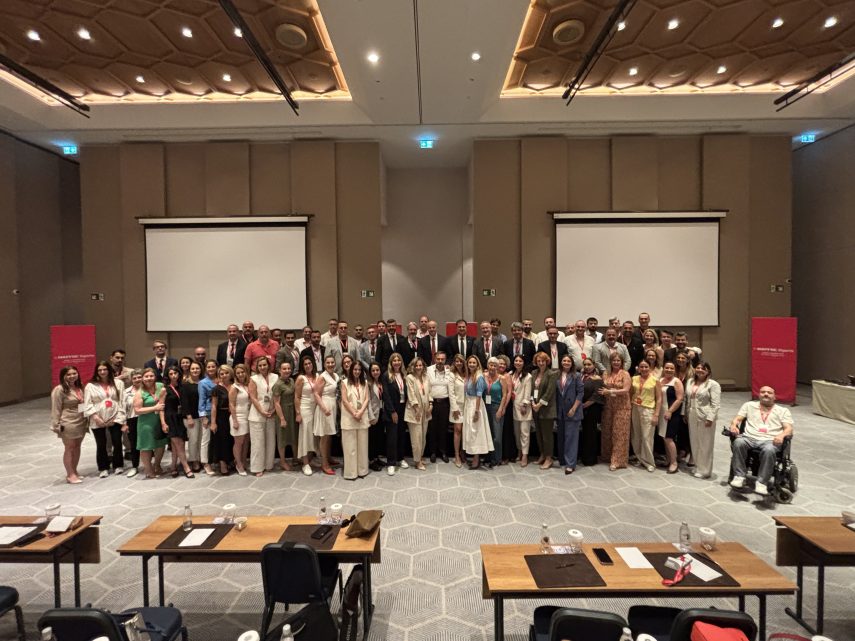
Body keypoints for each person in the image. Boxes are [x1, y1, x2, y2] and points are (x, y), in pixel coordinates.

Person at [728, 385, 793, 495]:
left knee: (769, 450)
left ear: (775, 397)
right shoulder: (749, 405)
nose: (766, 394)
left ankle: (762, 482)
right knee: (738, 442)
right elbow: (737, 418)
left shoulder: (783, 411)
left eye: (769, 392)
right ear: (759, 395)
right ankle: (739, 476)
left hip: (770, 440)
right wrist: (733, 425)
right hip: (749, 437)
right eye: (763, 392)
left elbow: (789, 428)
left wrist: (781, 435)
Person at [84, 360, 126, 477]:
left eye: (105, 369)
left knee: (117, 442)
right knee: (101, 444)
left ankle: (118, 465)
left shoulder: (118, 383)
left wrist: (118, 417)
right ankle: (103, 467)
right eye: (100, 370)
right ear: (96, 372)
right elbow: (87, 404)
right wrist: (96, 417)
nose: (102, 372)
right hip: (97, 419)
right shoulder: (90, 386)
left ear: (109, 370)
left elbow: (122, 401)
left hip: (115, 417)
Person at [50, 366, 88, 483]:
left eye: (74, 373)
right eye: (68, 374)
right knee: (69, 447)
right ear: (63, 376)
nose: (72, 376)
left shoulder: (80, 386)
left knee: (77, 446)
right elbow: (56, 408)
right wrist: (56, 424)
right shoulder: (59, 389)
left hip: (81, 421)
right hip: (68, 422)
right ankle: (70, 474)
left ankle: (75, 471)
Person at [684, 362, 722, 479]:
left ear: (708, 371)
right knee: (695, 441)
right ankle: (697, 466)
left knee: (705, 443)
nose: (700, 370)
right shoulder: (690, 381)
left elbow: (715, 404)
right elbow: (687, 399)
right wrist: (685, 413)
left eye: (703, 369)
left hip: (705, 416)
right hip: (692, 413)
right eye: (698, 368)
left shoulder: (713, 384)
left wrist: (710, 418)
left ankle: (705, 470)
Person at [599, 352, 632, 470]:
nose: (616, 362)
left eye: (618, 360)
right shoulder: (606, 373)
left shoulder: (625, 374)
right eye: (614, 360)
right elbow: (602, 386)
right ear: (610, 362)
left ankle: (618, 461)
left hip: (622, 406)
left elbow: (626, 390)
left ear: (621, 362)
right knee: (607, 432)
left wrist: (610, 391)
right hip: (608, 406)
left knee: (620, 433)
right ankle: (607, 456)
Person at [133, 368, 168, 479]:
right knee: (146, 447)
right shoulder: (139, 393)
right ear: (142, 378)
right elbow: (137, 410)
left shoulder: (160, 386)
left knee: (160, 445)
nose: (149, 378)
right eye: (146, 376)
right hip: (146, 423)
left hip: (159, 421)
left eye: (151, 376)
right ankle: (148, 469)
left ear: (155, 377)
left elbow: (164, 401)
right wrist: (155, 407)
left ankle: (157, 465)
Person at [248, 356, 278, 476]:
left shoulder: (275, 377)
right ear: (257, 367)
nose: (262, 367)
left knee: (270, 440)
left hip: (271, 413)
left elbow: (277, 395)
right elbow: (253, 397)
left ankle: (268, 464)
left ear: (268, 365)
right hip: (257, 414)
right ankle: (257, 467)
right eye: (260, 365)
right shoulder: (253, 378)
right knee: (258, 442)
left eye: (264, 365)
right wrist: (261, 411)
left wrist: (274, 409)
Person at [629, 360, 662, 473]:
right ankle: (640, 458)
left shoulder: (655, 380)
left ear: (649, 368)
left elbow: (659, 399)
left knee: (646, 436)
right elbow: (631, 394)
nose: (643, 369)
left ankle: (649, 462)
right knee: (636, 435)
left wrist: (656, 414)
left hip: (648, 409)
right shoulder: (634, 379)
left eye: (646, 367)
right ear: (638, 368)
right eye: (641, 367)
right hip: (635, 407)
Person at [340, 361, 370, 479]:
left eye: (359, 370)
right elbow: (344, 400)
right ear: (351, 370)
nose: (357, 372)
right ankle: (351, 473)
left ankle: (362, 470)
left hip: (362, 417)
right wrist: (354, 413)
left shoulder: (365, 383)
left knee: (362, 446)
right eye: (355, 369)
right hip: (349, 417)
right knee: (350, 447)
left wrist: (360, 412)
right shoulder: (344, 382)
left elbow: (367, 399)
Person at [462, 355, 493, 469]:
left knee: (476, 431)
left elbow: (479, 395)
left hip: (476, 405)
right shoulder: (470, 375)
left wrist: (476, 411)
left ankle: (476, 458)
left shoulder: (479, 377)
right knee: (471, 431)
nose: (471, 364)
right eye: (470, 362)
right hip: (469, 404)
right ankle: (474, 455)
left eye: (474, 363)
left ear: (477, 364)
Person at [161, 365, 193, 478]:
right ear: (168, 376)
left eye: (175, 373)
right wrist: (163, 423)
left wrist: (188, 416)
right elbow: (161, 408)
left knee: (177, 445)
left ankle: (173, 466)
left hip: (180, 417)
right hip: (170, 418)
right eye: (171, 374)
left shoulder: (182, 387)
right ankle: (186, 467)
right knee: (179, 444)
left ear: (179, 374)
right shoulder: (165, 389)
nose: (173, 375)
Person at [555, 355, 584, 474]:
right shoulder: (557, 375)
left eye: (568, 361)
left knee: (571, 438)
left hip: (572, 410)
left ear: (572, 363)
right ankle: (562, 460)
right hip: (560, 411)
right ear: (561, 362)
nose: (566, 362)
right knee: (561, 437)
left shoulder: (577, 375)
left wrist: (574, 408)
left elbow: (580, 393)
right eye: (564, 360)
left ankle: (570, 464)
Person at [530, 351, 558, 469]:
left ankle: (549, 458)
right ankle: (542, 454)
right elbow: (531, 389)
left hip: (546, 409)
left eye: (543, 361)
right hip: (535, 408)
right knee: (539, 434)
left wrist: (539, 405)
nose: (541, 363)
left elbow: (549, 392)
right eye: (539, 361)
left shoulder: (552, 374)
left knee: (547, 435)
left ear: (547, 362)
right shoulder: (534, 372)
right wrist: (532, 402)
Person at [313, 355, 339, 475]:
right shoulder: (322, 377)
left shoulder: (336, 375)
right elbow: (316, 394)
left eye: (332, 362)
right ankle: (324, 463)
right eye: (328, 363)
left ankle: (328, 457)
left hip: (333, 405)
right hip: (325, 406)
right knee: (324, 436)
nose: (330, 364)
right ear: (324, 364)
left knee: (329, 435)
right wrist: (324, 408)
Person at [404, 357, 432, 470]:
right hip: (414, 411)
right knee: (416, 438)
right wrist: (417, 409)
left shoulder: (426, 377)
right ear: (413, 366)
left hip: (426, 410)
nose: (418, 367)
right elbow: (411, 394)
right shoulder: (410, 378)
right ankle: (417, 461)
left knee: (423, 436)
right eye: (416, 365)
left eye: (420, 365)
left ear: (423, 366)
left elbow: (430, 392)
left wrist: (431, 405)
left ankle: (420, 456)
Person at [382, 353, 407, 475]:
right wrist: (392, 411)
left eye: (398, 360)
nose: (397, 362)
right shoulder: (386, 375)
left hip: (403, 408)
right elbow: (386, 395)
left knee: (401, 434)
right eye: (394, 361)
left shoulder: (404, 374)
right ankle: (391, 463)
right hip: (392, 409)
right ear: (391, 363)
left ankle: (400, 458)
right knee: (392, 437)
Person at [657, 361, 685, 474]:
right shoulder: (660, 380)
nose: (669, 370)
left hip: (671, 413)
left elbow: (680, 399)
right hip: (661, 413)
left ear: (674, 370)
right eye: (667, 368)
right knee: (664, 437)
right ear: (663, 369)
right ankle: (668, 460)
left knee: (669, 438)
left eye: (671, 368)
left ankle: (674, 463)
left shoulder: (676, 381)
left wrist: (670, 411)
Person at [483, 356, 510, 467]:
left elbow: (504, 395)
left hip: (496, 407)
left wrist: (501, 409)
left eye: (495, 365)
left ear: (498, 367)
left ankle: (497, 458)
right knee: (487, 434)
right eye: (491, 365)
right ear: (488, 366)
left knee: (497, 436)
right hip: (485, 407)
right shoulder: (483, 376)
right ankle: (488, 458)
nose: (492, 367)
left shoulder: (502, 378)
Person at [209, 365, 236, 475]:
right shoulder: (216, 389)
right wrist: (213, 422)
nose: (224, 375)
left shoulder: (235, 386)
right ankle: (222, 464)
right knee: (222, 440)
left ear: (231, 373)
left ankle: (231, 460)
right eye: (221, 374)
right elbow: (214, 406)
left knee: (231, 439)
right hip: (221, 416)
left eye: (226, 373)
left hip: (233, 415)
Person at [294, 356, 319, 476]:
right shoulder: (301, 378)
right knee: (304, 435)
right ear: (302, 367)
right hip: (305, 409)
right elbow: (297, 397)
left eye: (309, 363)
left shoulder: (317, 376)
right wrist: (298, 413)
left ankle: (310, 458)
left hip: (316, 408)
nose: (308, 365)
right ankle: (305, 463)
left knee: (312, 435)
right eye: (305, 364)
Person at [426, 351, 452, 463]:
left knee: (443, 428)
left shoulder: (449, 371)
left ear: (445, 360)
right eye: (438, 359)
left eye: (442, 359)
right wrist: (430, 403)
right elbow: (426, 387)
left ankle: (443, 452)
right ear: (434, 359)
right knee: (432, 429)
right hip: (432, 403)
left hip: (445, 404)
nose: (440, 361)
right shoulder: (428, 370)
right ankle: (432, 452)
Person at [272, 361, 297, 472]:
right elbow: (276, 403)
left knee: (294, 436)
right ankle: (282, 461)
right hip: (283, 412)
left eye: (288, 368)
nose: (287, 371)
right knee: (282, 438)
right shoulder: (277, 385)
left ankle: (295, 458)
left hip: (292, 412)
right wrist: (282, 418)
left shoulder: (292, 380)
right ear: (279, 370)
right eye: (284, 369)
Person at [579, 358, 603, 467]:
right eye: (585, 364)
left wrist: (584, 405)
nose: (587, 366)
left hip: (591, 408)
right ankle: (584, 456)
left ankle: (590, 459)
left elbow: (596, 395)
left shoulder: (597, 378)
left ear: (594, 365)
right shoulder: (581, 377)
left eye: (589, 364)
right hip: (582, 408)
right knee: (584, 433)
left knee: (590, 433)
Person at [509, 354, 533, 467]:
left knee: (524, 433)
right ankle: (519, 451)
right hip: (513, 407)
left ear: (524, 363)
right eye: (516, 361)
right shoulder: (510, 374)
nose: (518, 363)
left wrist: (524, 404)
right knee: (516, 432)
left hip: (523, 408)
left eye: (520, 361)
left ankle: (525, 455)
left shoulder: (528, 376)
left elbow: (528, 392)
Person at [228, 363, 251, 475]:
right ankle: (238, 464)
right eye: (238, 373)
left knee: (246, 441)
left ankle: (243, 461)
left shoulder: (247, 385)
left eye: (242, 372)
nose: (241, 374)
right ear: (235, 375)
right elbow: (231, 405)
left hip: (248, 416)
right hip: (238, 416)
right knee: (238, 442)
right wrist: (235, 420)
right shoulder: (234, 387)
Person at [180, 362, 202, 473]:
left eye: (197, 368)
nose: (195, 370)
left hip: (202, 416)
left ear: (201, 370)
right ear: (189, 370)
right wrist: (189, 417)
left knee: (201, 439)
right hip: (191, 417)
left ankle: (201, 459)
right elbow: (184, 402)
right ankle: (194, 460)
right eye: (193, 369)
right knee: (193, 440)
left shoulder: (203, 382)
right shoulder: (185, 384)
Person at [197, 360, 219, 476]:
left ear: (217, 367)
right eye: (209, 367)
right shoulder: (203, 383)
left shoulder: (221, 379)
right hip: (208, 412)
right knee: (206, 439)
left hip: (221, 412)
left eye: (213, 366)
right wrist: (203, 416)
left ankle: (218, 460)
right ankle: (205, 463)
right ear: (206, 369)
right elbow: (201, 400)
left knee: (218, 438)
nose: (211, 369)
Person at [120, 369, 143, 477]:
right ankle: (135, 466)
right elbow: (122, 408)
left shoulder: (148, 389)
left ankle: (152, 466)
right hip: (132, 419)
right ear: (131, 380)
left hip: (146, 418)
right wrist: (124, 423)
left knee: (149, 443)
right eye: (134, 378)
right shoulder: (126, 392)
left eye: (139, 377)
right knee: (134, 444)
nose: (137, 379)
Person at [448, 354, 468, 467]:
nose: (459, 363)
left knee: (466, 430)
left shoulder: (467, 374)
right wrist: (454, 408)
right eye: (457, 361)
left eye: (460, 361)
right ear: (454, 363)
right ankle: (456, 455)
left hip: (468, 405)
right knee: (458, 430)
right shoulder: (452, 375)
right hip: (457, 406)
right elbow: (451, 393)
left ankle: (463, 452)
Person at [366, 361, 387, 470]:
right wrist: (371, 416)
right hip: (373, 414)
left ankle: (376, 458)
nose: (375, 372)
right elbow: (368, 401)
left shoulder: (381, 382)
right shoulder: (368, 384)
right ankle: (371, 461)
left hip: (381, 412)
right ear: (370, 372)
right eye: (373, 370)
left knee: (379, 437)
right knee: (372, 439)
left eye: (377, 370)